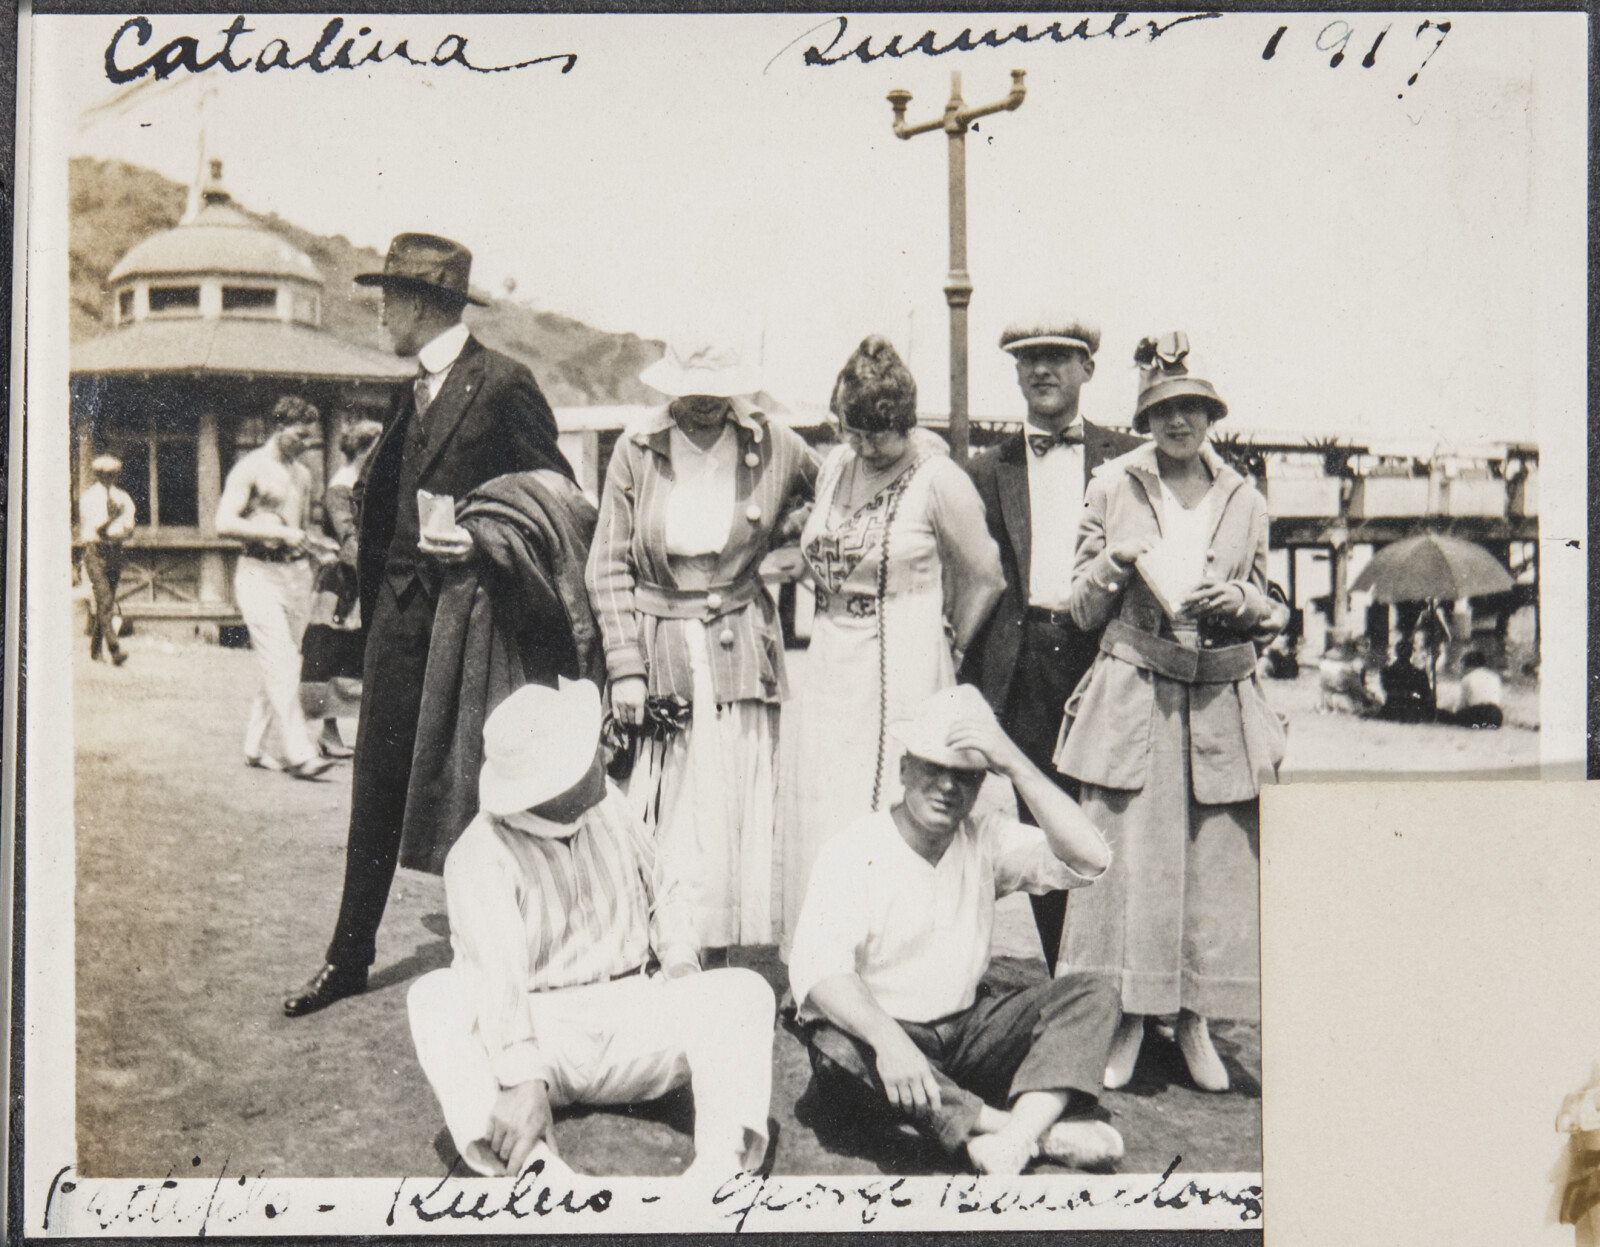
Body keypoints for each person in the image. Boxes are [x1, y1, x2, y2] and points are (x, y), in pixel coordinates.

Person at [285, 233, 573, 1018]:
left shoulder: (505, 384)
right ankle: (347, 957)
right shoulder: (405, 391)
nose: (379, 313)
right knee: (374, 787)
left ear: (418, 304)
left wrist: (483, 538)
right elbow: (382, 505)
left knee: (485, 792)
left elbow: (558, 496)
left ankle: (516, 958)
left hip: (473, 623)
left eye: (387, 299)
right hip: (399, 625)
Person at [407, 679, 776, 1181]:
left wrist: (683, 974)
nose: (603, 753)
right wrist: (522, 1078)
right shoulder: (478, 855)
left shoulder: (611, 804)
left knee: (743, 992)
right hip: (541, 1033)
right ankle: (539, 1176)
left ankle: (718, 1174)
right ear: (552, 785)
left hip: (634, 1011)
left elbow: (664, 889)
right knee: (436, 997)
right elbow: (497, 982)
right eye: (586, 753)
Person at [1054, 333, 1286, 1094]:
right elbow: (1079, 607)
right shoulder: (1112, 484)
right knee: (1128, 865)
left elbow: (1272, 604)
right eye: (1163, 409)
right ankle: (1122, 1017)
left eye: (1191, 407)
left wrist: (1244, 601)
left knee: (1209, 864)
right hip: (1134, 690)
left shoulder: (1245, 498)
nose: (1178, 421)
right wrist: (1115, 561)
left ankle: (1191, 1023)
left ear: (1211, 414)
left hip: (1218, 696)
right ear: (1145, 416)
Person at [788, 684, 1122, 1176]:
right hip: (888, 1035)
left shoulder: (985, 837)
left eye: (966, 776)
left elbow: (1090, 858)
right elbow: (821, 972)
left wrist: (1014, 763)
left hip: (969, 1032)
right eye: (933, 768)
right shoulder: (854, 847)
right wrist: (889, 1041)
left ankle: (1004, 1137)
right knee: (836, 1054)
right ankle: (1026, 1133)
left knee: (1092, 995)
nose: (948, 787)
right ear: (904, 769)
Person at [587, 339, 817, 958]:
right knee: (669, 794)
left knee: (732, 792)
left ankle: (717, 938)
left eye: (718, 393)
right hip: (662, 645)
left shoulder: (776, 444)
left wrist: (800, 551)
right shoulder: (637, 450)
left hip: (741, 644)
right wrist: (626, 668)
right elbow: (606, 566)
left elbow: (838, 495)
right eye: (692, 393)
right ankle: (669, 937)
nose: (705, 406)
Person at [779, 336, 1004, 955]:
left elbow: (985, 573)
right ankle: (828, 951)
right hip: (831, 651)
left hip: (900, 650)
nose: (866, 446)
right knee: (826, 794)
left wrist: (952, 641)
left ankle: (894, 955)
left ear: (905, 423)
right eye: (853, 431)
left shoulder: (937, 480)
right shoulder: (833, 468)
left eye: (880, 434)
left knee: (883, 795)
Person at [961, 318, 1141, 972]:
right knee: (1045, 822)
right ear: (1013, 371)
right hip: (1024, 662)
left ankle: (1130, 990)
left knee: (1116, 820)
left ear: (1088, 369)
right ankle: (1073, 980)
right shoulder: (986, 470)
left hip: (1108, 658)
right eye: (1029, 358)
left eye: (1059, 359)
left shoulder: (1129, 459)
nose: (1043, 370)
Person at [215, 396, 334, 782]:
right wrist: (279, 531)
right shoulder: (250, 468)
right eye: (300, 435)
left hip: (295, 575)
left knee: (284, 662)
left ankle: (254, 747)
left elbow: (298, 529)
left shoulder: (302, 474)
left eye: (311, 439)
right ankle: (300, 753)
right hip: (257, 574)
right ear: (279, 427)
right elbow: (224, 523)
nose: (306, 444)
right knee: (280, 660)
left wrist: (314, 546)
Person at [299, 419, 383, 759]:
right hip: (343, 582)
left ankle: (358, 735)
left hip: (360, 577)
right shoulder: (340, 487)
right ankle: (328, 732)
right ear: (364, 450)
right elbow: (348, 537)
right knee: (332, 654)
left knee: (358, 654)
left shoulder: (365, 483)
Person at [79, 453, 136, 665]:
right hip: (96, 551)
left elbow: (129, 526)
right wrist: (113, 519)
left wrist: (121, 527)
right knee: (104, 600)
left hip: (115, 552)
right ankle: (115, 649)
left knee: (107, 602)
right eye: (105, 474)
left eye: (113, 474)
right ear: (97, 474)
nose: (109, 478)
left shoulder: (122, 497)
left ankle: (95, 650)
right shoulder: (89, 498)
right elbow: (100, 529)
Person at [1318, 627, 1378, 716]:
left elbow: (1327, 657)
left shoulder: (1343, 655)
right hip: (1340, 681)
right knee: (1354, 687)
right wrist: (1366, 695)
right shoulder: (1355, 661)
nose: (1367, 651)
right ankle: (1358, 706)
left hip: (1327, 681)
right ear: (1359, 646)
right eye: (1366, 647)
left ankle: (1327, 706)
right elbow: (1356, 684)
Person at [1378, 636, 1434, 723]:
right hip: (1410, 709)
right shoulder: (1418, 673)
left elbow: (1385, 689)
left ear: (1396, 652)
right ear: (1411, 653)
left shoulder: (1386, 671)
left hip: (1391, 708)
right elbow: (1426, 694)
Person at [1443, 651, 1504, 728]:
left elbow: (1462, 705)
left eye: (1463, 667)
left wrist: (1452, 711)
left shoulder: (1468, 678)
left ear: (1469, 666)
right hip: (1496, 715)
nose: (1463, 670)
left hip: (1477, 714)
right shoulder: (1495, 677)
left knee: (1448, 716)